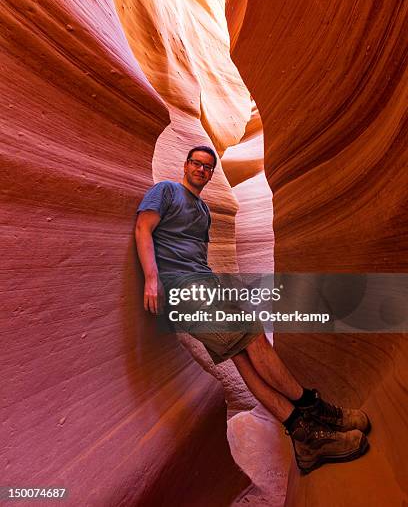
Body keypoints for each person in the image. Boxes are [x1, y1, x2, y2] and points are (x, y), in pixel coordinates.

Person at [135, 145, 371, 474]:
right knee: (256, 338)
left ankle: (305, 441)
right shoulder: (166, 191)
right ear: (185, 165)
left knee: (245, 360)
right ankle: (313, 411)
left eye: (207, 167)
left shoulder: (203, 211)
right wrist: (151, 278)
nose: (201, 170)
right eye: (196, 164)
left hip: (205, 288)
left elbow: (198, 258)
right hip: (185, 293)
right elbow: (143, 227)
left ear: (211, 173)